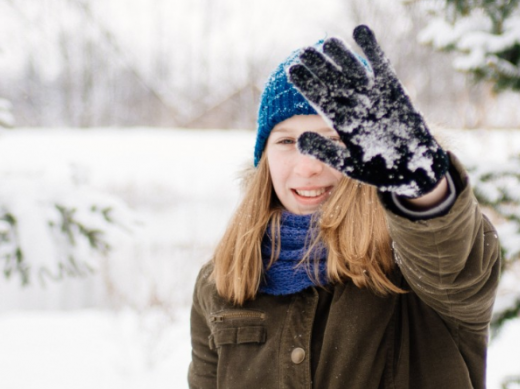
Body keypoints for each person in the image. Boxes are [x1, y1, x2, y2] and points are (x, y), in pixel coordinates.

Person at [188, 25, 501, 389]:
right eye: (287, 141)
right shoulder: (221, 281)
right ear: (264, 156)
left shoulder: (413, 265)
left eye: (331, 141)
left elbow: (452, 259)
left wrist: (422, 187)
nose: (308, 166)